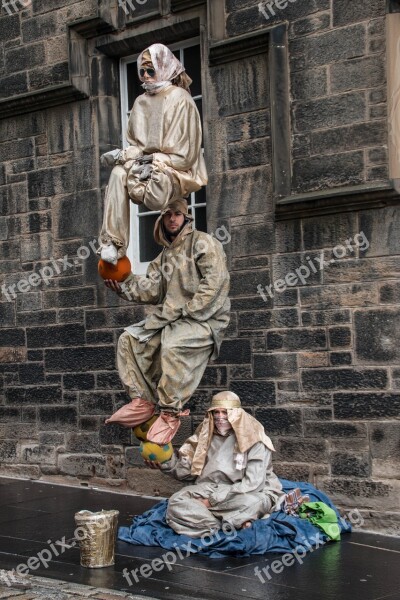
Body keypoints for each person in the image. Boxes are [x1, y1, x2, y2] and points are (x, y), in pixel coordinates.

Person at [104, 199, 230, 444]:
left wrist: (187, 311)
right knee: (129, 340)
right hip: (172, 318)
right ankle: (142, 401)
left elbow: (215, 283)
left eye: (178, 214)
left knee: (172, 345)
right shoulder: (164, 257)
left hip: (205, 319)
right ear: (162, 218)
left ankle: (171, 412)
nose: (173, 219)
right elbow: (151, 289)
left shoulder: (203, 243)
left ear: (186, 217)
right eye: (168, 214)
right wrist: (123, 284)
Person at [99, 43, 208, 264]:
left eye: (151, 70)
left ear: (164, 67)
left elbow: (186, 155)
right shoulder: (140, 102)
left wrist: (156, 161)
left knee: (158, 195)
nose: (146, 76)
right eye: (142, 72)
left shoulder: (180, 99)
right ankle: (113, 243)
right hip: (144, 167)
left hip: (176, 170)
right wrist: (122, 155)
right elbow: (139, 144)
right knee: (119, 174)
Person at [146, 391, 285, 538]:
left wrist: (210, 502)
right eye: (216, 412)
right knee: (175, 502)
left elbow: (253, 484)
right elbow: (186, 471)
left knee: (254, 503)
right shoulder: (205, 434)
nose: (219, 417)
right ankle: (225, 523)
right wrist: (166, 463)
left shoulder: (255, 438)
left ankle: (203, 519)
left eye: (225, 412)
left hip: (242, 492)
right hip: (208, 487)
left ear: (237, 414)